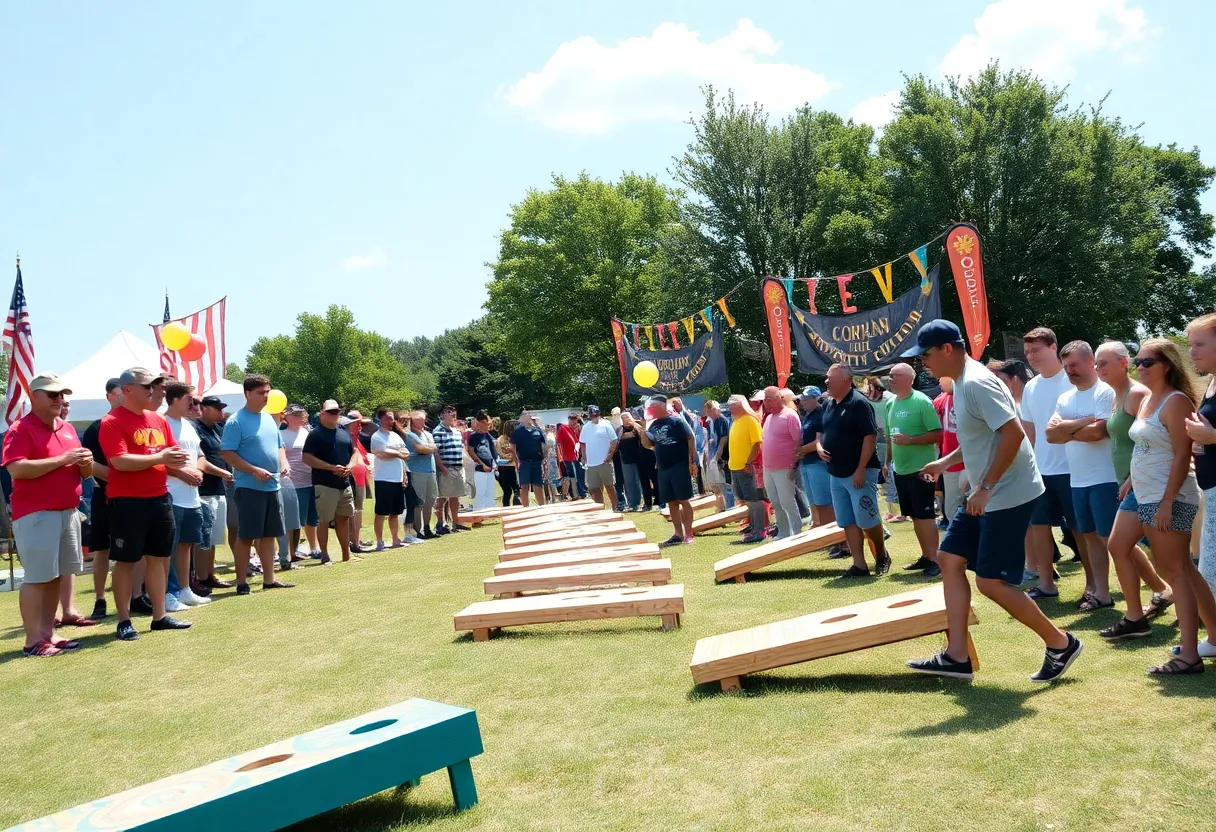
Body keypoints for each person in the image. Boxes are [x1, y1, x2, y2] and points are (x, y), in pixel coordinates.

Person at [907, 321, 1083, 682]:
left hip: (1006, 493)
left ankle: (1061, 643)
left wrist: (985, 486)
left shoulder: (976, 382)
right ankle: (957, 657)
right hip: (989, 491)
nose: (923, 362)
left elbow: (1013, 434)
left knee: (990, 583)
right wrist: (944, 462)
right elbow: (982, 436)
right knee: (949, 558)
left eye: (925, 355)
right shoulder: (962, 380)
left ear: (947, 349)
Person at [1124, 337, 1216, 675]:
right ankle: (1212, 638)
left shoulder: (1175, 401)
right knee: (1182, 570)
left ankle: (1189, 654)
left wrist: (1166, 502)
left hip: (1170, 497)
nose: (1140, 367)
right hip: (1149, 495)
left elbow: (1182, 455)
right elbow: (1147, 447)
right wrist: (1131, 480)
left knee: (1176, 572)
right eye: (1137, 361)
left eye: (1147, 362)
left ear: (1167, 365)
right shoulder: (1148, 399)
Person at [100, 368, 193, 640]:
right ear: (127, 389)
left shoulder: (158, 419)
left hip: (160, 497)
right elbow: (119, 462)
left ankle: (159, 616)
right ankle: (124, 620)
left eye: (153, 386)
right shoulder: (111, 422)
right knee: (126, 561)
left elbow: (172, 453)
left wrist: (177, 460)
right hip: (127, 501)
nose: (152, 391)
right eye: (146, 386)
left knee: (158, 558)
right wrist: (161, 458)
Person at [3, 374, 93, 655]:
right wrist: (63, 460)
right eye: (53, 394)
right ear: (34, 396)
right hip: (37, 514)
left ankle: (48, 634)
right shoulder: (21, 429)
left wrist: (86, 464)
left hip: (68, 512)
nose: (59, 399)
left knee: (56, 576)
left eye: (62, 395)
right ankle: (32, 641)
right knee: (37, 578)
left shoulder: (67, 428)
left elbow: (83, 472)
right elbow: (16, 468)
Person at [1095, 341, 1173, 638]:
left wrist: (1131, 476)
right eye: (1096, 363)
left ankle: (1192, 606)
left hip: (1146, 483)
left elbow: (1153, 437)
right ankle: (1136, 616)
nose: (1098, 368)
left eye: (1104, 362)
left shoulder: (1137, 393)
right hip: (1133, 483)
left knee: (1170, 558)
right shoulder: (1117, 395)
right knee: (1121, 546)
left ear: (1122, 363)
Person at [1044, 341, 1119, 609]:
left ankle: (1157, 588)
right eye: (1066, 366)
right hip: (1078, 480)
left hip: (1105, 478)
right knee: (1089, 537)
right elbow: (1050, 435)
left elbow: (1099, 432)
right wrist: (1085, 421)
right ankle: (1102, 593)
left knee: (1112, 541)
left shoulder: (1105, 391)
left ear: (1090, 362)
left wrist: (1067, 430)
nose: (1069, 371)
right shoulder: (1065, 398)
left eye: (1074, 364)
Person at [1020, 327, 1087, 602]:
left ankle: (1093, 586)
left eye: (1035, 350)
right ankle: (1046, 584)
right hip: (1041, 471)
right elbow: (1028, 433)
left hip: (1074, 470)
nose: (1030, 356)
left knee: (1080, 530)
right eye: (1027, 352)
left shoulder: (1072, 381)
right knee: (1039, 527)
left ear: (1053, 347)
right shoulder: (1030, 387)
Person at [220, 374, 294, 595]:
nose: (266, 396)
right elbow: (227, 453)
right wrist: (253, 470)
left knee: (269, 535)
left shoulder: (269, 419)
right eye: (261, 393)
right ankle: (241, 582)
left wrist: (284, 462)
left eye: (267, 392)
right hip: (249, 488)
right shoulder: (236, 421)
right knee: (247, 536)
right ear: (247, 394)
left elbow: (279, 446)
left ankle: (269, 579)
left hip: (273, 486)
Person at [820, 364, 890, 577]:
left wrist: (861, 469)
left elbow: (870, 436)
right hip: (836, 472)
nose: (826, 382)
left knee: (867, 519)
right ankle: (859, 564)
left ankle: (881, 555)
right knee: (847, 521)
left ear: (846, 381)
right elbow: (823, 431)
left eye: (830, 378)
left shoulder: (859, 403)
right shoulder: (829, 403)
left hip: (858, 472)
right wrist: (820, 447)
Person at [884, 363, 944, 576]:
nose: (890, 379)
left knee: (925, 515)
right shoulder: (890, 403)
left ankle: (936, 560)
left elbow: (937, 434)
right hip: (900, 469)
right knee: (915, 516)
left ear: (909, 378)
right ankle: (926, 556)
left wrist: (910, 440)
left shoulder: (921, 401)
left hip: (921, 469)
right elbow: (890, 437)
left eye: (895, 375)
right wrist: (887, 462)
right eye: (890, 375)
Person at [162, 382, 210, 608]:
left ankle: (184, 590)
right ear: (174, 399)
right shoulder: (162, 423)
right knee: (167, 548)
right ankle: (166, 593)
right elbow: (157, 460)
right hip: (171, 494)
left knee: (186, 545)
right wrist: (182, 474)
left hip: (192, 496)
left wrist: (198, 471)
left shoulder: (189, 425)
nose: (194, 404)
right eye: (189, 399)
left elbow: (199, 455)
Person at [80, 378, 123, 620]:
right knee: (102, 549)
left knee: (135, 549)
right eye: (119, 392)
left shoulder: (136, 425)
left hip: (132, 497)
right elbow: (87, 465)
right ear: (109, 396)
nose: (124, 396)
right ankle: (100, 599)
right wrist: (117, 477)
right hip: (104, 495)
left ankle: (134, 596)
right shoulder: (96, 428)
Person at [637, 394, 697, 545]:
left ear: (662, 406)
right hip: (663, 467)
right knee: (671, 501)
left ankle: (689, 534)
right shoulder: (654, 424)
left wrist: (692, 462)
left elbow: (691, 438)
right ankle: (678, 534)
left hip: (679, 465)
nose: (651, 410)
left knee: (683, 499)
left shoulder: (677, 420)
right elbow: (648, 445)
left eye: (653, 407)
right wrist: (643, 431)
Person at [303, 399, 358, 562]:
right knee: (324, 521)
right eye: (331, 412)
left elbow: (354, 452)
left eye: (337, 411)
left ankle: (346, 554)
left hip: (344, 484)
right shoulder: (315, 434)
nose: (335, 414)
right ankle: (325, 555)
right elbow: (306, 457)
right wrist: (330, 467)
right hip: (324, 484)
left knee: (344, 519)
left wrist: (350, 466)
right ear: (322, 414)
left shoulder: (343, 432)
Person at [192, 395, 236, 592]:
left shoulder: (217, 429)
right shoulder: (195, 429)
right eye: (217, 408)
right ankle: (200, 578)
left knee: (214, 537)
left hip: (219, 489)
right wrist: (223, 472)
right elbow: (200, 461)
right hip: (204, 490)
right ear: (205, 408)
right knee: (203, 537)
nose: (221, 412)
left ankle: (209, 575)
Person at [760, 386, 803, 539]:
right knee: (776, 502)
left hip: (785, 467)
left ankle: (797, 533)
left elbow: (798, 442)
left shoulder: (790, 415)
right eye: (765, 400)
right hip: (768, 467)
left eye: (770, 400)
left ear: (779, 399)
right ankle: (784, 533)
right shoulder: (769, 418)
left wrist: (794, 466)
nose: (766, 403)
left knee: (787, 501)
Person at [726, 395, 767, 543]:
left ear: (740, 405)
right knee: (747, 499)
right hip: (736, 467)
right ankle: (754, 527)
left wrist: (749, 462)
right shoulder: (736, 421)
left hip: (747, 467)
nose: (729, 408)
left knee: (754, 499)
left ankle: (760, 530)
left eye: (732, 405)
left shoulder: (750, 420)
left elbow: (757, 443)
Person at [280, 405, 319, 558]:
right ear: (287, 417)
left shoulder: (306, 432)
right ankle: (291, 551)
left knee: (312, 518)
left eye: (302, 415)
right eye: (296, 415)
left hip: (311, 481)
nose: (301, 418)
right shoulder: (281, 434)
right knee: (295, 520)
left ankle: (314, 548)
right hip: (293, 484)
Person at [863, 376, 901, 521]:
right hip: (878, 438)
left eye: (869, 387)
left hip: (893, 437)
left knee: (893, 472)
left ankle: (899, 511)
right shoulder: (867, 401)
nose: (866, 391)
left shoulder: (890, 399)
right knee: (886, 475)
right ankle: (893, 510)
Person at [371, 408, 410, 548]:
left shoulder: (396, 436)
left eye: (392, 418)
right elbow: (381, 454)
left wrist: (404, 474)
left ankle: (395, 539)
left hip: (397, 478)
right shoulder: (377, 437)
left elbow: (406, 454)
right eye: (388, 418)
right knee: (381, 512)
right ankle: (379, 541)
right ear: (381, 419)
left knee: (395, 512)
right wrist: (397, 453)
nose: (391, 421)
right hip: (383, 479)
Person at [794, 387, 832, 528]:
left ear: (815, 399)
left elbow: (819, 441)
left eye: (805, 399)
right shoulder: (808, 415)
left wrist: (800, 450)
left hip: (818, 462)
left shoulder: (821, 414)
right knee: (812, 497)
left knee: (823, 498)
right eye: (801, 399)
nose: (802, 402)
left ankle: (828, 526)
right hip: (807, 461)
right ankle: (816, 523)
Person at [932, 377, 965, 530]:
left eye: (942, 377)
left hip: (975, 462)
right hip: (950, 463)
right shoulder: (941, 400)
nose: (939, 381)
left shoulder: (971, 393)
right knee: (952, 510)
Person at [433, 405, 470, 533]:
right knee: (442, 497)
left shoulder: (456, 432)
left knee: (455, 496)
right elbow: (436, 451)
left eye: (453, 412)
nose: (452, 414)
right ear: (441, 415)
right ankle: (440, 523)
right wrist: (442, 467)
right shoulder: (438, 431)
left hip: (458, 467)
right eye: (448, 412)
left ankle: (455, 522)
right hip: (446, 468)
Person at [405, 412, 440, 536]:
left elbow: (434, 447)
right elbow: (421, 449)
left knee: (430, 501)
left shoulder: (428, 434)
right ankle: (417, 530)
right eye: (417, 420)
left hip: (431, 471)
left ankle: (427, 527)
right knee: (419, 502)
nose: (420, 422)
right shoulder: (409, 435)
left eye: (422, 419)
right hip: (417, 471)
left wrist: (427, 448)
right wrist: (428, 448)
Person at [579, 405, 619, 510]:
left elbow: (614, 440)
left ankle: (615, 507)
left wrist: (610, 454)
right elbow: (583, 443)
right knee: (594, 489)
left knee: (609, 486)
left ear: (599, 414)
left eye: (596, 415)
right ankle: (600, 510)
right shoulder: (586, 427)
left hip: (604, 462)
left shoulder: (606, 424)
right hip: (591, 464)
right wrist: (584, 457)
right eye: (592, 415)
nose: (595, 417)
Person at [345, 410, 372, 553]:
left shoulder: (357, 440)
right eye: (357, 424)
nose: (360, 427)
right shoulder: (346, 439)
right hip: (351, 480)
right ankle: (353, 543)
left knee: (358, 511)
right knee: (352, 511)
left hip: (360, 480)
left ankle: (356, 540)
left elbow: (363, 458)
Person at [510, 411, 548, 507]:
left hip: (537, 461)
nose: (529, 418)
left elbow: (543, 445)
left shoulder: (537, 430)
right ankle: (525, 508)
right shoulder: (517, 432)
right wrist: (516, 462)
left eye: (530, 416)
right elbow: (512, 449)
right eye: (526, 416)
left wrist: (545, 458)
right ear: (522, 418)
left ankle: (542, 506)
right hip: (524, 462)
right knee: (524, 486)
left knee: (538, 484)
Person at [702, 400, 734, 512]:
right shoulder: (711, 422)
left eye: (709, 410)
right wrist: (708, 454)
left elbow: (723, 439)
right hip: (713, 455)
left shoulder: (722, 420)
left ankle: (730, 507)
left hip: (722, 456)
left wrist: (717, 456)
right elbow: (710, 439)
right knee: (718, 485)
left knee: (726, 483)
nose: (707, 412)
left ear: (714, 410)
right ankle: (722, 506)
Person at [467, 411, 498, 511]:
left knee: (490, 492)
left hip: (491, 468)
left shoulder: (489, 435)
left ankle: (490, 511)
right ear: (479, 423)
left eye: (488, 423)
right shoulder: (474, 436)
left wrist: (494, 463)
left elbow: (492, 451)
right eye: (485, 423)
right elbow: (471, 451)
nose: (487, 425)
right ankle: (478, 512)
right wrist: (482, 464)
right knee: (480, 493)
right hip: (479, 469)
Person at [617, 410, 646, 511]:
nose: (626, 420)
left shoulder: (637, 427)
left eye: (627, 417)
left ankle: (645, 502)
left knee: (641, 481)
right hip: (625, 459)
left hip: (639, 459)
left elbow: (643, 436)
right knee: (629, 483)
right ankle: (633, 504)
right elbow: (616, 442)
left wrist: (634, 426)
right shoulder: (619, 430)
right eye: (623, 418)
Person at [495, 419, 521, 507]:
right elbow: (500, 453)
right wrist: (511, 456)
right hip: (504, 468)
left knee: (517, 489)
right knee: (507, 491)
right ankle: (506, 508)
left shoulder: (518, 438)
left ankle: (518, 507)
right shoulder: (500, 440)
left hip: (515, 467)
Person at [555, 414, 579, 501]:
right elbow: (558, 442)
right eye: (572, 420)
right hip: (567, 457)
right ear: (569, 420)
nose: (573, 422)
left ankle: (577, 493)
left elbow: (578, 440)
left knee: (575, 475)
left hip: (576, 456)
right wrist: (560, 456)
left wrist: (578, 429)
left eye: (575, 420)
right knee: (571, 475)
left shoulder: (575, 429)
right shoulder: (563, 428)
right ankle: (573, 494)